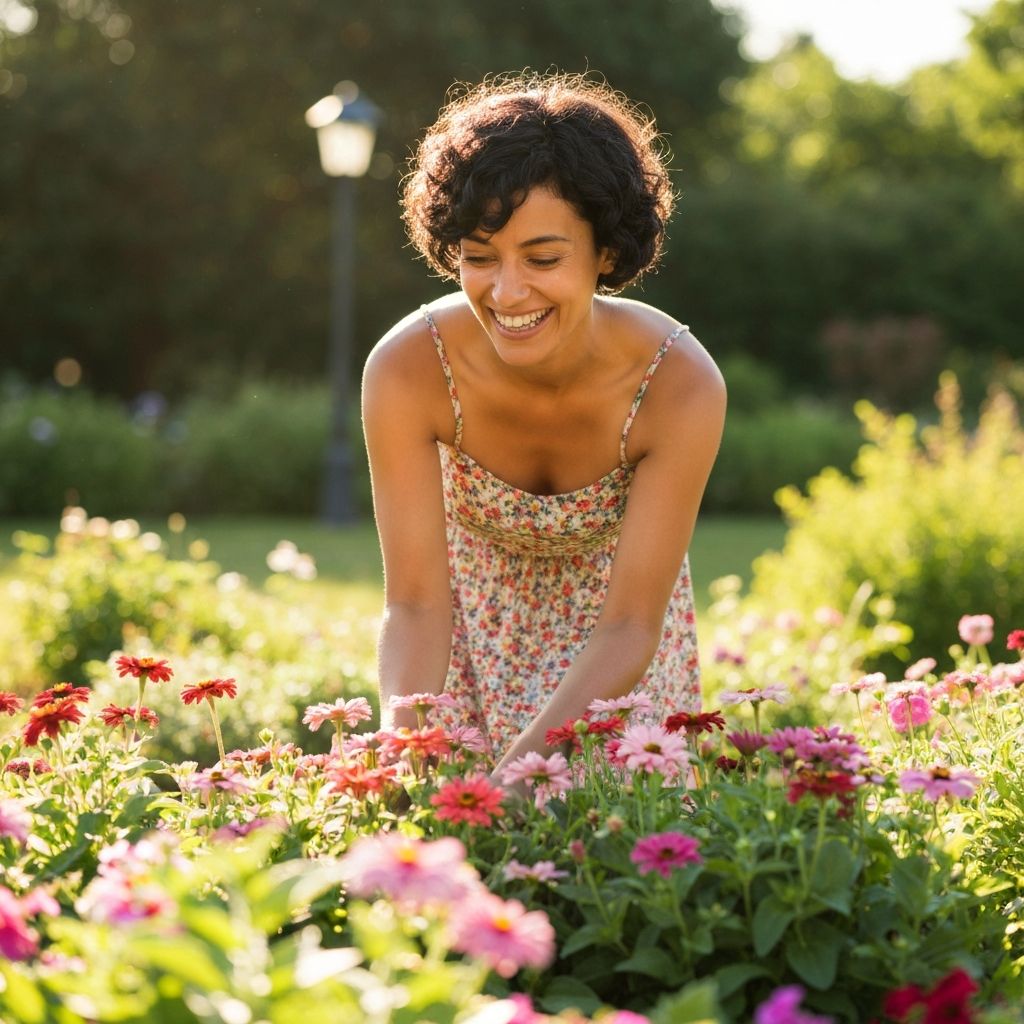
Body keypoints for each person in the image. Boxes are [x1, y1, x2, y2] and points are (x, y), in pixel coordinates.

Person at [361, 72, 726, 778]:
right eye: (478, 257)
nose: (507, 292)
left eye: (544, 258)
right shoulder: (408, 370)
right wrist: (405, 750)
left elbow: (630, 625)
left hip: (619, 672)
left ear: (606, 254)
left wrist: (522, 777)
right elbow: (412, 604)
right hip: (463, 652)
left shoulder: (679, 385)